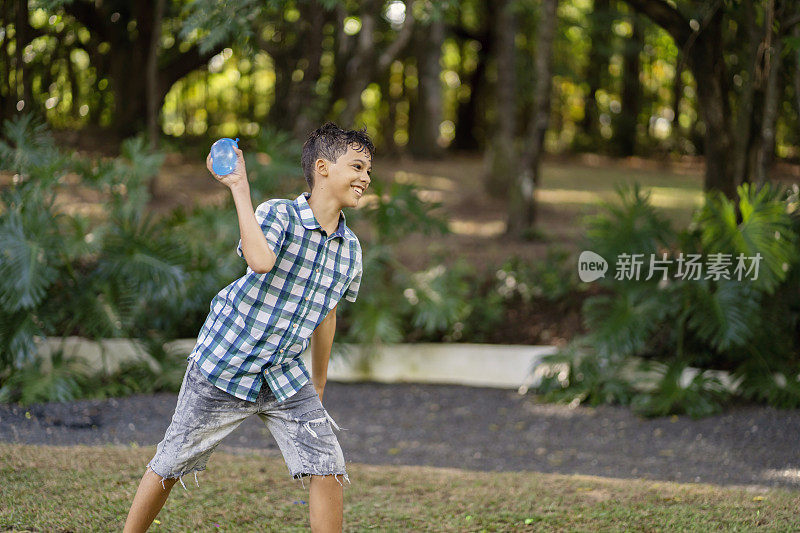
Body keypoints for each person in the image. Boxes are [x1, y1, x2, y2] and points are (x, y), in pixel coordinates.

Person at [123, 122, 373, 532]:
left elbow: (326, 314)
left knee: (327, 464)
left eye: (368, 172)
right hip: (225, 362)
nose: (365, 178)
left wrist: (320, 380)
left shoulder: (350, 250)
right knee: (172, 461)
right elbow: (259, 261)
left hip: (283, 373)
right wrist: (240, 187)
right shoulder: (279, 214)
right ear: (323, 168)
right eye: (358, 166)